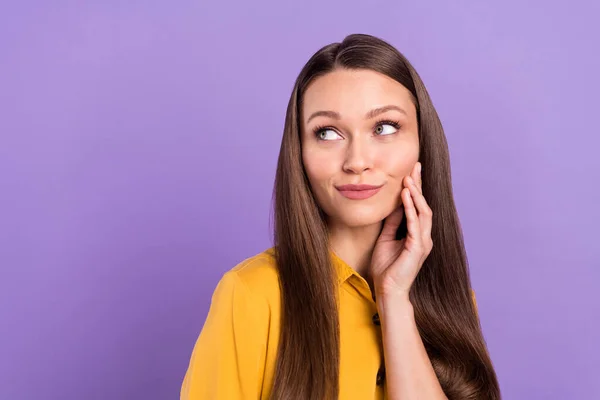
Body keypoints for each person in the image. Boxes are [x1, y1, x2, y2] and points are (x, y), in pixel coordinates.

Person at [180, 33, 500, 399]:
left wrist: (394, 299)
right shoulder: (252, 295)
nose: (357, 162)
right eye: (328, 133)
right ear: (298, 151)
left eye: (384, 128)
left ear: (422, 143)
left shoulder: (452, 301)